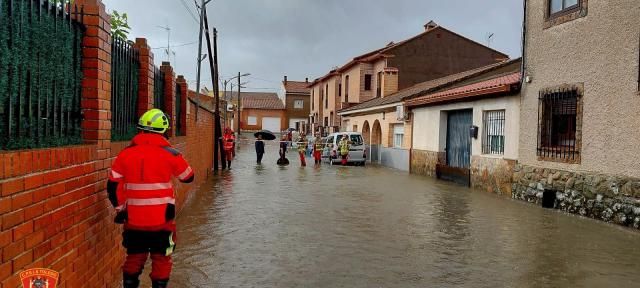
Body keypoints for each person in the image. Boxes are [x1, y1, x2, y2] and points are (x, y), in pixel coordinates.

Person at [108, 108, 194, 288]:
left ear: (140, 129)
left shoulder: (125, 154)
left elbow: (113, 186)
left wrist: (121, 209)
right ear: (164, 130)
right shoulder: (171, 154)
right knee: (162, 258)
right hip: (162, 220)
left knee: (134, 257)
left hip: (134, 219)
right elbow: (188, 177)